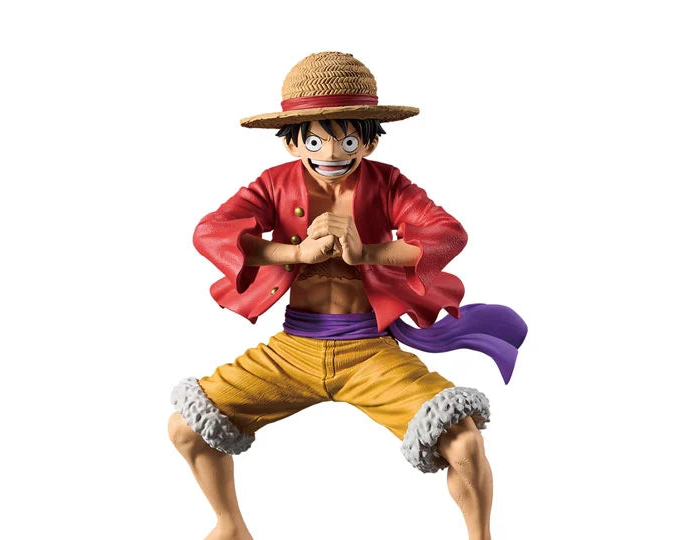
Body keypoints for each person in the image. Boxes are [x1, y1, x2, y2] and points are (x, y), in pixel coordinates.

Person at [168, 51, 526, 540]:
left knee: (463, 443)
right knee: (187, 428)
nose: (333, 154)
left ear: (370, 141)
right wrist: (296, 254)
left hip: (370, 350)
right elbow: (211, 231)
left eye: (349, 140)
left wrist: (366, 253)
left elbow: (448, 234)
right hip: (293, 350)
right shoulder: (273, 183)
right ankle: (230, 526)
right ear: (292, 141)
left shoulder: (389, 183)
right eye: (316, 140)